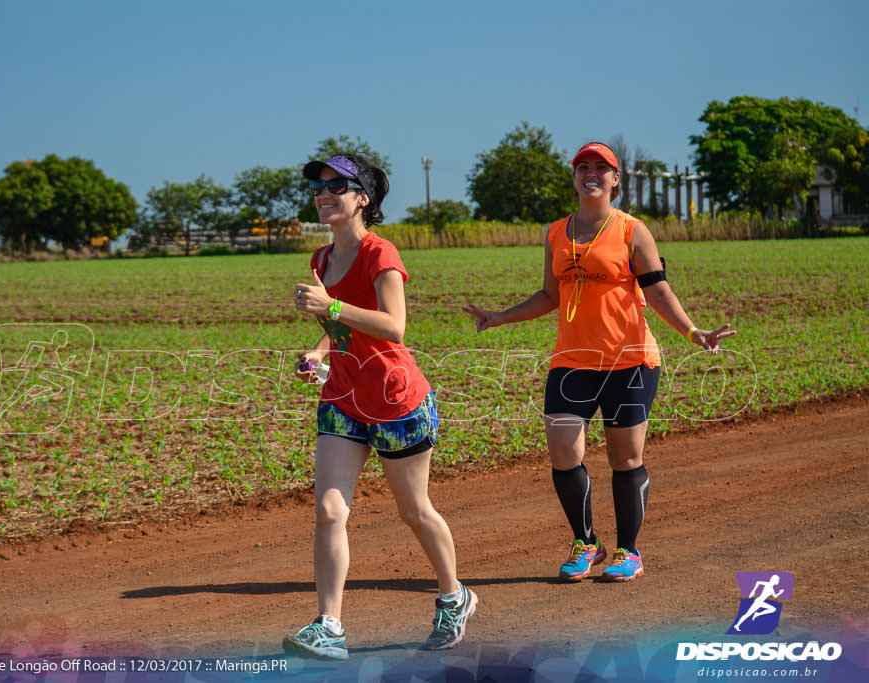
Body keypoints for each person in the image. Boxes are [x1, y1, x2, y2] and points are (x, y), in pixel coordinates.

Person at [463, 142, 735, 583]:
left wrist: (693, 331)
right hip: (572, 361)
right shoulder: (557, 232)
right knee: (563, 453)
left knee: (624, 458)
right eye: (583, 167)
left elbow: (659, 291)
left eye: (600, 168)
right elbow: (550, 295)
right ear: (574, 177)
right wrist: (498, 318)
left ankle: (628, 551)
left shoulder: (632, 231)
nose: (591, 173)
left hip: (630, 362)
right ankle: (587, 542)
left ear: (615, 179)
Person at [284, 154, 476, 660]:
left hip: (396, 400)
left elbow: (395, 326)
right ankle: (330, 625)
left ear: (362, 198)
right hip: (343, 399)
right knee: (329, 511)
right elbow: (341, 328)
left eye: (336, 186)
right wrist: (319, 351)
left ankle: (455, 597)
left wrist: (329, 307)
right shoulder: (321, 261)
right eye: (319, 186)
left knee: (413, 510)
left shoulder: (380, 253)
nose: (323, 193)